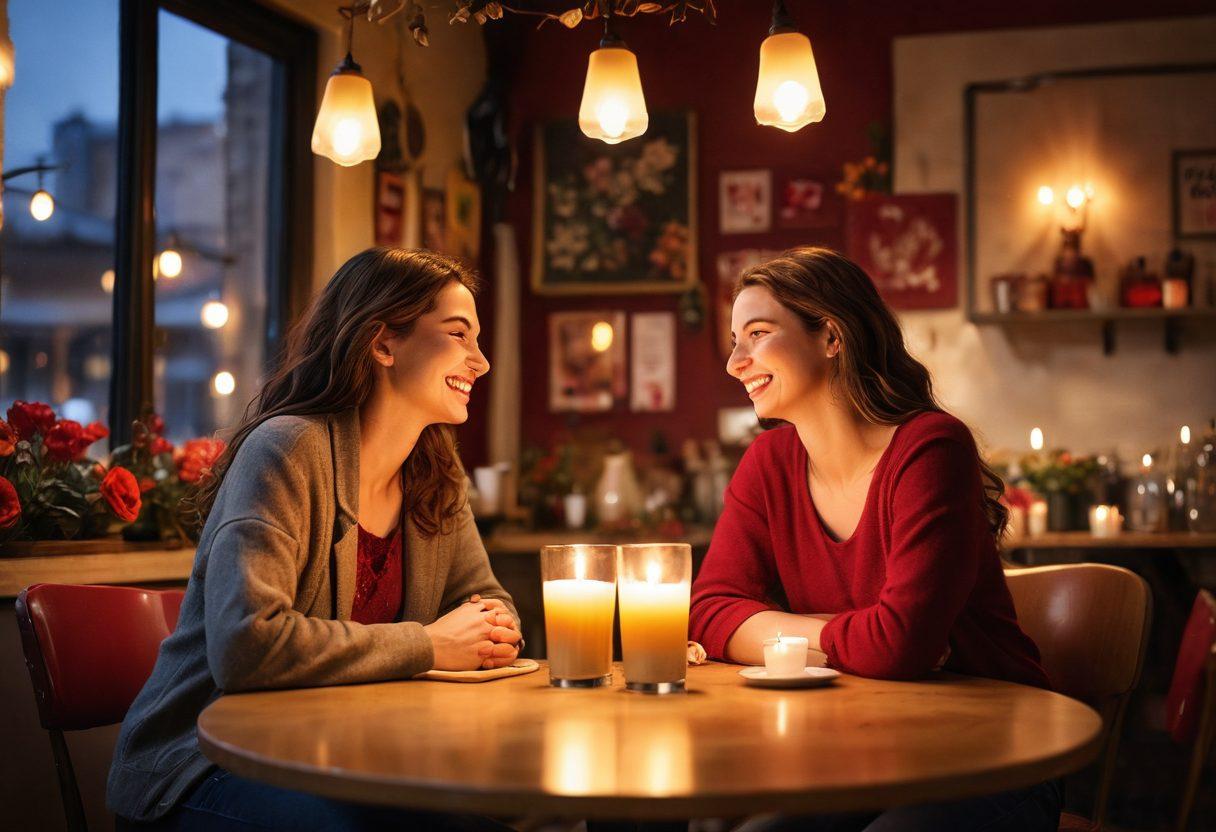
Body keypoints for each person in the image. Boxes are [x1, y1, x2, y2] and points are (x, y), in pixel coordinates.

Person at [109, 248, 522, 831]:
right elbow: (245, 648)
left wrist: (495, 628)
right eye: (458, 335)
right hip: (204, 766)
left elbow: (486, 598)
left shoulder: (435, 470)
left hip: (349, 758)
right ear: (383, 343)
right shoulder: (287, 449)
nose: (481, 361)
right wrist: (430, 645)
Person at [689, 247, 1061, 831]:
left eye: (757, 334)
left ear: (831, 336)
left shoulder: (930, 449)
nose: (736, 361)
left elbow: (901, 645)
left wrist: (775, 630)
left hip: (993, 758)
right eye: (735, 339)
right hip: (861, 756)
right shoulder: (768, 463)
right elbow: (707, 613)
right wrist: (857, 636)